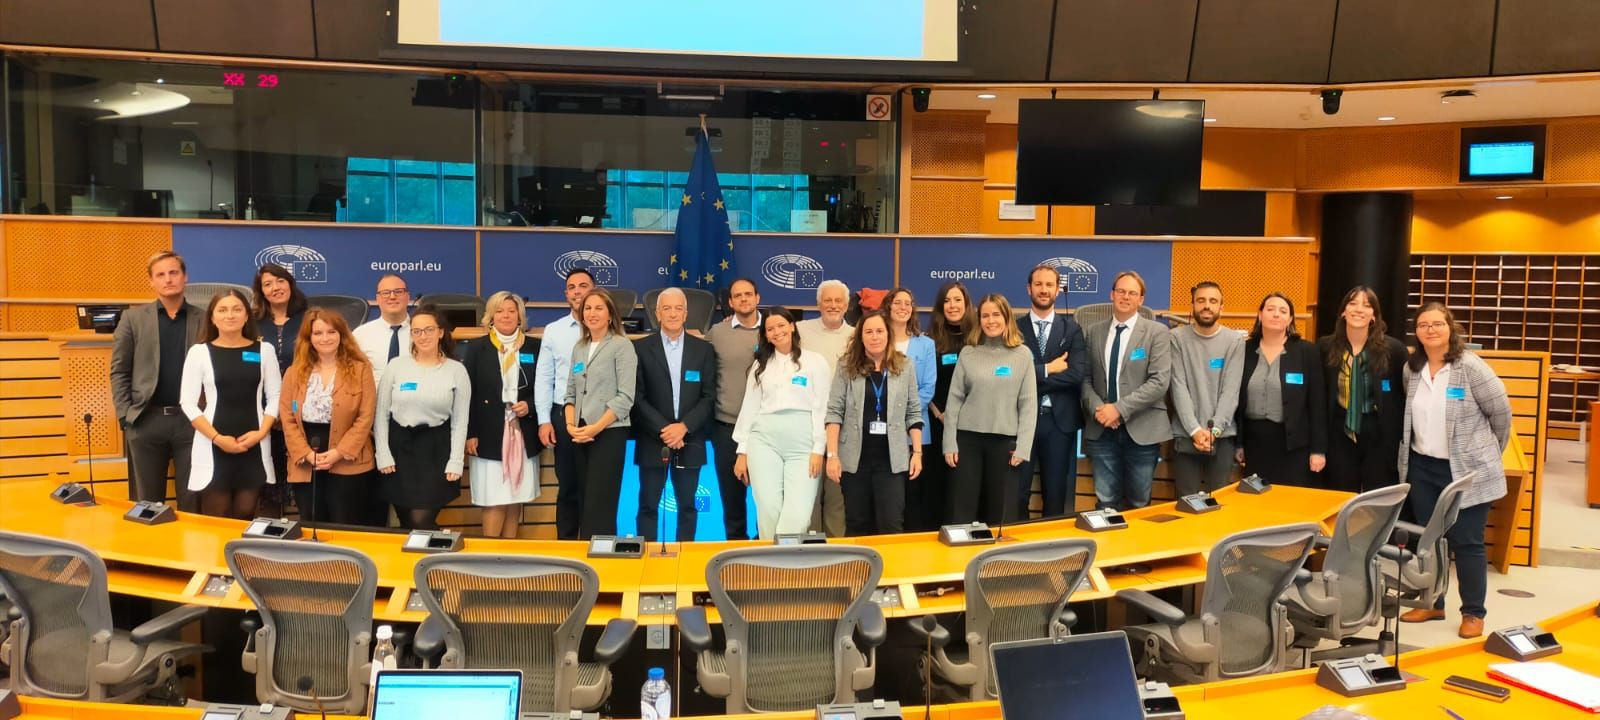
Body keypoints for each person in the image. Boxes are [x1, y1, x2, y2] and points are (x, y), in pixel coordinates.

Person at [1398, 302, 1512, 639]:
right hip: (1421, 466)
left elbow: (1501, 415)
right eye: (1423, 325)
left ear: (1450, 328)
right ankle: (1433, 602)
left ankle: (1474, 613)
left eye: (1437, 324)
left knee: (1466, 541)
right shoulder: (1412, 368)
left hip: (1466, 472)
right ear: (1416, 332)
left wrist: (1484, 454)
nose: (1430, 330)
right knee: (1429, 540)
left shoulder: (1471, 368)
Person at [111, 251, 205, 512]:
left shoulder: (205, 318)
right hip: (146, 420)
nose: (168, 279)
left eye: (174, 272)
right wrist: (125, 416)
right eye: (160, 275)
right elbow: (119, 371)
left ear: (185, 277)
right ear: (151, 282)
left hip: (193, 422)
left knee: (193, 503)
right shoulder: (133, 319)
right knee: (147, 506)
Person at [179, 289, 280, 519]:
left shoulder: (264, 350)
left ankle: (241, 557)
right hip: (214, 444)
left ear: (246, 316)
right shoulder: (200, 352)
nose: (230, 315)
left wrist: (261, 433)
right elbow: (188, 403)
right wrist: (216, 438)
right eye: (222, 310)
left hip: (253, 443)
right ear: (212, 318)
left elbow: (275, 396)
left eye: (237, 309)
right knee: (218, 513)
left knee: (246, 512)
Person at [731, 307, 831, 539]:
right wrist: (742, 452)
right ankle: (770, 567)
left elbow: (822, 408)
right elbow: (750, 408)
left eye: (781, 326)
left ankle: (787, 565)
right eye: (770, 329)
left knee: (798, 514)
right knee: (768, 509)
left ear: (792, 326)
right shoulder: (760, 366)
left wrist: (819, 449)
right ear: (765, 335)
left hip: (803, 442)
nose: (777, 332)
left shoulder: (815, 361)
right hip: (763, 440)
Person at [825, 312, 923, 535]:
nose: (874, 337)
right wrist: (832, 456)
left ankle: (891, 570)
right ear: (860, 337)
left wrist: (916, 452)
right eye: (868, 332)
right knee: (857, 524)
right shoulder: (846, 365)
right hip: (854, 460)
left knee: (891, 524)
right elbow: (834, 412)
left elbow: (914, 412)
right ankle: (859, 571)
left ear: (888, 334)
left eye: (879, 331)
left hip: (891, 461)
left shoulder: (904, 366)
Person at [942, 294, 1037, 525]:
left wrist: (1023, 447)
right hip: (967, 441)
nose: (990, 320)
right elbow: (954, 400)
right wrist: (949, 443)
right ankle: (959, 559)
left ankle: (998, 561)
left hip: (1005, 444)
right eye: (985, 315)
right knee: (961, 509)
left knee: (1001, 513)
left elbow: (1028, 404)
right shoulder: (968, 353)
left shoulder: (1023, 355)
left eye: (996, 314)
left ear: (1007, 318)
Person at [276, 308, 377, 526]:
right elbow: (287, 417)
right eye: (318, 333)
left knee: (346, 524)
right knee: (312, 524)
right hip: (306, 459)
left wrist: (339, 453)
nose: (325, 338)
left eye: (331, 332)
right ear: (308, 338)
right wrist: (305, 453)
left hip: (348, 459)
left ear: (342, 335)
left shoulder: (361, 370)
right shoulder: (294, 373)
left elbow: (365, 417)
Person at [633, 287, 718, 542]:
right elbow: (636, 397)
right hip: (652, 439)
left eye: (678, 308)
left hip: (689, 439)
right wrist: (666, 430)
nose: (673, 313)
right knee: (647, 506)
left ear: (686, 313)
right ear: (657, 314)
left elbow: (709, 396)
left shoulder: (703, 350)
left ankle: (684, 562)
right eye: (666, 308)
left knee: (688, 507)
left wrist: (684, 427)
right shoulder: (640, 348)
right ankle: (645, 561)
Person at [1081, 271, 1171, 510]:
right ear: (1112, 294)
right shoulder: (1094, 331)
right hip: (1101, 429)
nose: (1126, 297)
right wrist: (1100, 410)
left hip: (1142, 430)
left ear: (1141, 300)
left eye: (1133, 293)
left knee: (1139, 504)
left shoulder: (1157, 332)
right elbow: (1085, 378)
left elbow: (1159, 381)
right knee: (1105, 502)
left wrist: (1118, 410)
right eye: (1121, 291)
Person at [374, 307, 470, 531]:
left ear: (440, 332)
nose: (423, 336)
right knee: (407, 521)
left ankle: (433, 556)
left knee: (421, 521)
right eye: (416, 331)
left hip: (436, 449)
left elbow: (460, 421)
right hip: (399, 449)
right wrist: (383, 453)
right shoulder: (396, 366)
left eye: (428, 330)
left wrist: (456, 460)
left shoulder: (456, 370)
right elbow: (381, 415)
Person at [461, 291, 542, 539]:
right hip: (488, 434)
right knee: (494, 498)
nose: (506, 315)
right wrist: (470, 432)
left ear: (520, 315)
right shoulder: (476, 348)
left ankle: (509, 555)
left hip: (523, 431)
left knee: (515, 497)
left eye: (511, 310)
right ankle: (489, 557)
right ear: (491, 317)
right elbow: (468, 394)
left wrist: (530, 405)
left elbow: (546, 386)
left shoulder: (535, 347)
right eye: (499, 311)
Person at [1317, 286, 1408, 493]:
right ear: (1343, 311)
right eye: (1353, 303)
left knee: (1377, 498)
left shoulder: (1394, 349)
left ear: (1374, 316)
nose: (1359, 309)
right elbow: (1319, 398)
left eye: (1367, 306)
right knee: (1339, 494)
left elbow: (1405, 396)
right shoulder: (1325, 347)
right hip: (1339, 432)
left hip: (1379, 433)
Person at [564, 288, 638, 540]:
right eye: (587, 308)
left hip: (608, 433)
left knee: (601, 503)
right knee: (584, 500)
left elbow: (625, 397)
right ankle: (584, 561)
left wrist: (595, 428)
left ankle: (602, 565)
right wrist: (570, 425)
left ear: (610, 314)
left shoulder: (622, 345)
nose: (592, 313)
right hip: (579, 433)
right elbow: (570, 393)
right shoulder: (580, 347)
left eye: (598, 308)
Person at [1235, 293, 1326, 487]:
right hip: (1255, 444)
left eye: (1283, 311)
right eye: (1270, 309)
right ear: (1260, 315)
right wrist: (1239, 443)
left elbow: (1317, 404)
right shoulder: (1244, 350)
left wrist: (1318, 450)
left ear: (1290, 319)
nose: (1276, 314)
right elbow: (1236, 400)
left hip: (1293, 446)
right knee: (1257, 504)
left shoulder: (1306, 352)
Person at [1017, 265, 1086, 519]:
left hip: (1060, 423)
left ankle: (1051, 552)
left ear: (1058, 290)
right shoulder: (1014, 329)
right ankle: (1016, 550)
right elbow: (1012, 376)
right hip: (1021, 420)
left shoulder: (1072, 330)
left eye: (1049, 285)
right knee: (1018, 493)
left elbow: (1076, 375)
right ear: (1029, 289)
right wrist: (1050, 369)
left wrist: (1033, 376)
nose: (1044, 290)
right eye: (1038, 284)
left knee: (1056, 494)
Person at [1168, 282, 1246, 495]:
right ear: (1192, 305)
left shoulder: (1235, 341)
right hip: (1186, 434)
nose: (1206, 306)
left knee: (1219, 504)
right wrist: (1195, 430)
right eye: (1201, 300)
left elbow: (1231, 392)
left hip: (1221, 437)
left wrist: (1214, 431)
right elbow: (1178, 386)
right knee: (1186, 505)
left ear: (1222, 307)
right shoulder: (1176, 338)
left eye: (1213, 301)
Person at [535, 268, 595, 539]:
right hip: (564, 417)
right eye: (572, 287)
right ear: (566, 294)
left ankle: (596, 549)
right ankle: (568, 549)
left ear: (593, 290)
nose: (577, 291)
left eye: (583, 286)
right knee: (568, 487)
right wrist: (544, 419)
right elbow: (544, 377)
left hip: (601, 418)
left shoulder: (611, 328)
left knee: (596, 488)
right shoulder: (554, 331)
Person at [706, 277, 763, 540]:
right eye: (737, 296)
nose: (743, 299)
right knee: (732, 503)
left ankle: (767, 557)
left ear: (757, 298)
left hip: (767, 430)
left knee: (768, 501)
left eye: (748, 294)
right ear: (730, 302)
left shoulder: (776, 329)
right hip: (726, 428)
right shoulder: (718, 333)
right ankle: (735, 558)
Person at [797, 279, 854, 537]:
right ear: (818, 304)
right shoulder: (800, 330)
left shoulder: (856, 336)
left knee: (836, 494)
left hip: (842, 426)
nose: (833, 305)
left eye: (838, 301)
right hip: (806, 424)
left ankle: (836, 554)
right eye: (827, 300)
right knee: (807, 492)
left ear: (847, 305)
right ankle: (810, 554)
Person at [252, 263, 309, 513]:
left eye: (280, 281)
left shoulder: (309, 319)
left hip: (302, 409)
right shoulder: (252, 323)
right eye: (268, 284)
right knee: (268, 481)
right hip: (262, 412)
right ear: (261, 292)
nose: (275, 288)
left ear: (290, 284)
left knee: (301, 479)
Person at [918, 280, 973, 530]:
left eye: (957, 300)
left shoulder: (979, 336)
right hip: (938, 420)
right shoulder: (930, 340)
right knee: (936, 484)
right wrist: (940, 413)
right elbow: (924, 383)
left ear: (966, 303)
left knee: (964, 485)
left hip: (971, 422)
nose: (952, 305)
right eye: (947, 301)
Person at [884, 288, 937, 523]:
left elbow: (928, 387)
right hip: (882, 430)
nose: (903, 307)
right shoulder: (877, 339)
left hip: (916, 432)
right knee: (889, 498)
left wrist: (905, 417)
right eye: (898, 302)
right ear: (888, 306)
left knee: (914, 497)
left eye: (908, 303)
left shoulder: (925, 344)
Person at [353, 273, 411, 383]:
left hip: (413, 398)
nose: (392, 297)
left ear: (408, 297)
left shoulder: (423, 333)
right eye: (386, 293)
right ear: (377, 299)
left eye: (398, 291)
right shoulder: (360, 334)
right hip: (373, 397)